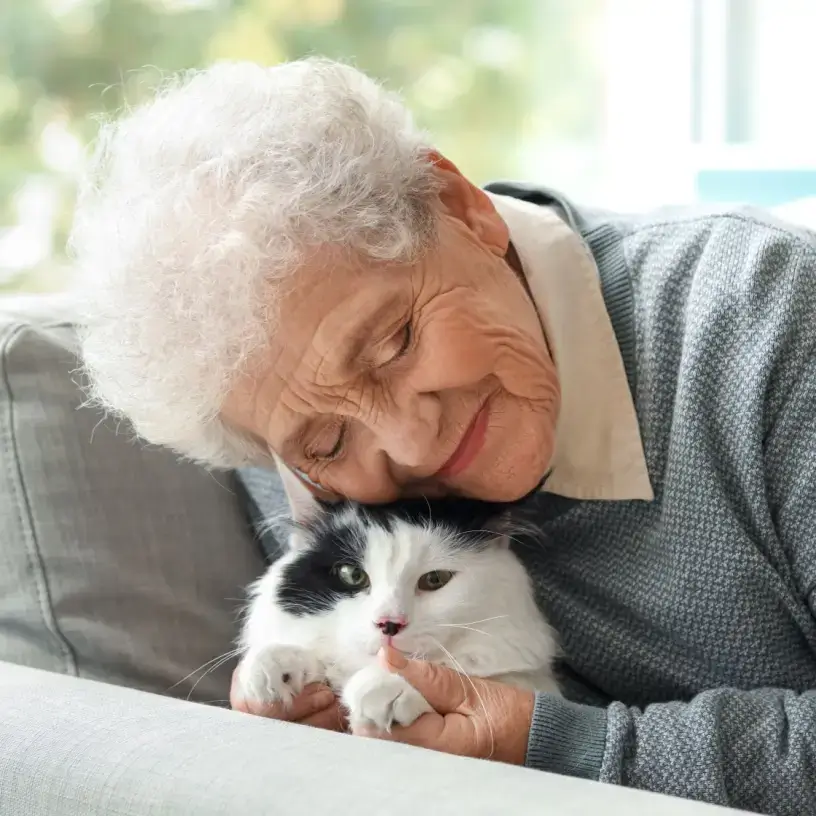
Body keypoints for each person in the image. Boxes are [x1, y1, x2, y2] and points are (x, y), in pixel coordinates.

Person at [71, 58, 816, 816]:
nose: (412, 443)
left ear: (462, 210)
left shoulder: (773, 320)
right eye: (328, 441)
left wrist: (563, 749)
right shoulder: (302, 469)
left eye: (394, 341)